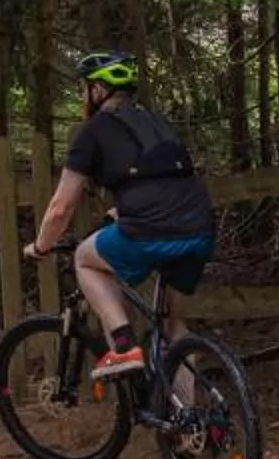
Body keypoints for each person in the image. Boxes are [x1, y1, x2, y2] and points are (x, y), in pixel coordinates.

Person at [24, 51, 215, 380]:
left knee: (85, 258)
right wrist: (122, 209)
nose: (83, 96)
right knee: (174, 327)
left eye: (84, 88)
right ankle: (189, 425)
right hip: (199, 226)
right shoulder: (157, 122)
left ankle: (124, 347)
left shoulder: (93, 130)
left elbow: (60, 208)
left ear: (99, 91)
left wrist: (41, 247)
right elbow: (159, 177)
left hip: (150, 229)